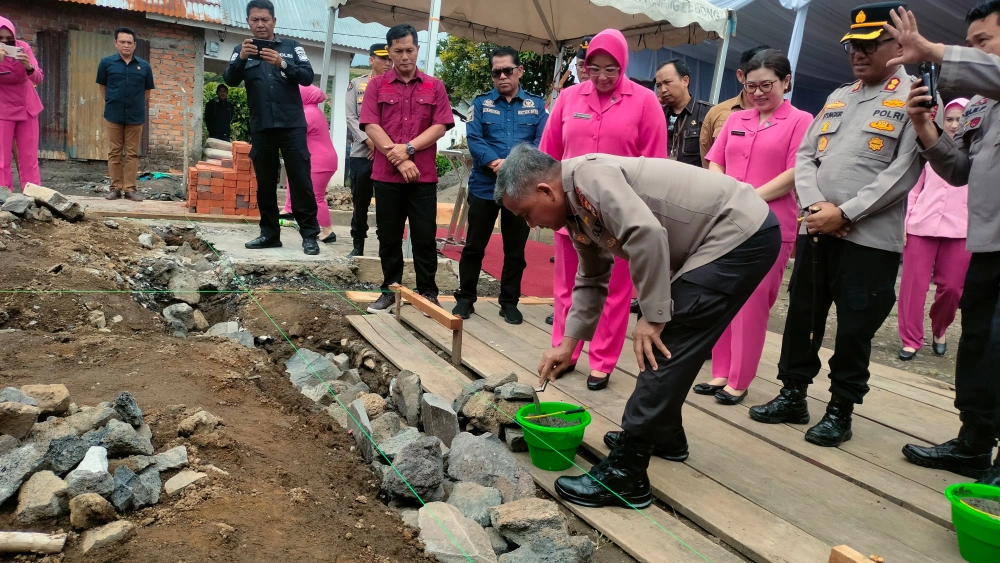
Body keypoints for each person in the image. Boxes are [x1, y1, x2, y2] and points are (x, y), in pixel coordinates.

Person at [497, 144, 781, 508]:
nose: (530, 224)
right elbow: (592, 275)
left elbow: (647, 233)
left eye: (526, 214)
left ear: (544, 191)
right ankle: (665, 435)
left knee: (666, 344)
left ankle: (626, 474)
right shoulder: (573, 206)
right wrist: (568, 344)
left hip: (739, 235)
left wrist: (654, 315)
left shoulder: (589, 178)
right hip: (718, 237)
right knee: (674, 343)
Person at [748, 2, 922, 448]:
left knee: (854, 328)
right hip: (816, 230)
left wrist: (845, 214)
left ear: (897, 44)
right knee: (803, 313)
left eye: (868, 45)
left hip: (869, 241)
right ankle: (793, 394)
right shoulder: (839, 96)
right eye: (852, 46)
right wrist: (815, 208)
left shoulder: (915, 97)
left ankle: (840, 410)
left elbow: (904, 171)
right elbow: (806, 157)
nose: (857, 54)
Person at [885, 2, 1000, 484]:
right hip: (990, 245)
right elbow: (960, 171)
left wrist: (933, 51)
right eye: (966, 42)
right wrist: (924, 127)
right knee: (979, 344)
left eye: (982, 42)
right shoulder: (980, 106)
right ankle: (974, 442)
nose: (971, 51)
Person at [540, 28, 667, 391]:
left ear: (623, 65)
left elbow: (654, 165)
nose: (601, 77)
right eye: (593, 68)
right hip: (572, 210)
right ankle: (565, 351)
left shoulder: (644, 102)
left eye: (610, 69)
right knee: (567, 287)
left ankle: (603, 360)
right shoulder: (568, 98)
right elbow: (550, 155)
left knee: (614, 291)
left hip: (619, 216)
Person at [700, 50, 813, 405]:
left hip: (771, 225)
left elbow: (795, 173)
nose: (759, 93)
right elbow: (714, 160)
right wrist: (725, 194)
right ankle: (720, 371)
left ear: (786, 82)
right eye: (752, 86)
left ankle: (740, 378)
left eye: (768, 85)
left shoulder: (800, 120)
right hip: (726, 221)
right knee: (720, 296)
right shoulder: (736, 119)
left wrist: (746, 197)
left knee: (752, 303)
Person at [360, 24, 454, 313]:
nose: (404, 56)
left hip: (422, 176)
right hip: (387, 176)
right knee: (388, 236)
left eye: (409, 50)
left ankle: (428, 292)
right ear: (389, 52)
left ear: (417, 50)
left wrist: (410, 148)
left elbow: (440, 126)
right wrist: (400, 159)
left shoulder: (433, 86)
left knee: (425, 236)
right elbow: (371, 125)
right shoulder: (377, 85)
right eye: (398, 51)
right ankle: (390, 290)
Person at [453, 47, 548, 324]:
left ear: (519, 71)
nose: (502, 76)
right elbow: (474, 138)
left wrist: (515, 166)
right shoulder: (481, 104)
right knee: (474, 246)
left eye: (508, 70)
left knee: (515, 250)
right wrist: (497, 164)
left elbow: (542, 141)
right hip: (484, 185)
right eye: (497, 72)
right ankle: (465, 299)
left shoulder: (537, 105)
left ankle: (509, 302)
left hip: (519, 189)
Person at [223, 0, 321, 256]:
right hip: (262, 127)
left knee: (301, 181)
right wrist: (241, 60)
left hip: (292, 127)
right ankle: (269, 234)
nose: (260, 24)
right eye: (255, 20)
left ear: (274, 21)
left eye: (265, 19)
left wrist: (282, 64)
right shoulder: (240, 50)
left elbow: (308, 75)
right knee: (265, 183)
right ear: (248, 22)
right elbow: (230, 80)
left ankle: (310, 236)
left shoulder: (291, 47)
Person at [897, 98, 971, 361]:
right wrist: (905, 223)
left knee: (952, 288)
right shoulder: (930, 148)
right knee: (913, 287)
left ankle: (940, 329)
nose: (954, 124)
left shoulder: (979, 154)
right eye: (949, 119)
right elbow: (914, 189)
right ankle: (910, 339)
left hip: (962, 230)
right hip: (921, 225)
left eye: (960, 119)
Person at [96, 27, 154, 202]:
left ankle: (129, 189)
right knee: (114, 152)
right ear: (116, 43)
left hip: (135, 116)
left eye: (129, 42)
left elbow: (147, 91)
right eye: (122, 42)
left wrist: (134, 104)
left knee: (132, 153)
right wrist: (114, 102)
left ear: (135, 45)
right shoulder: (106, 63)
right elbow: (102, 87)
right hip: (113, 114)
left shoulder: (144, 66)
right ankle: (115, 188)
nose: (126, 45)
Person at [345, 43, 392, 258]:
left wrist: (382, 145)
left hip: (388, 154)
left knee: (387, 205)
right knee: (360, 202)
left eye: (389, 59)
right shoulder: (357, 84)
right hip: (362, 154)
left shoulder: (395, 85)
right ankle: (358, 245)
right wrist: (369, 140)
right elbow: (351, 118)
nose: (387, 63)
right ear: (371, 59)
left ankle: (386, 247)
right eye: (382, 58)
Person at [279, 84, 338, 243]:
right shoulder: (309, 110)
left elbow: (292, 133)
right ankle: (288, 209)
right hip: (319, 159)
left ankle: (327, 231)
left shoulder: (308, 114)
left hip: (320, 162)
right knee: (292, 178)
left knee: (314, 198)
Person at [700, 45, 770, 166]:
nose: (759, 90)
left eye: (766, 83)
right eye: (753, 84)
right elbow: (707, 158)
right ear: (740, 76)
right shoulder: (719, 112)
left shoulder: (791, 118)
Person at [0, 17, 42, 191]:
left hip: (27, 107)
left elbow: (38, 78)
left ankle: (33, 196)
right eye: (0, 39)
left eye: (8, 39)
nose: (4, 43)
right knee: (1, 159)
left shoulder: (23, 47)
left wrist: (28, 66)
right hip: (3, 108)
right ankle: (4, 197)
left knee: (29, 157)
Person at [655, 59, 711, 167]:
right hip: (661, 178)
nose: (663, 90)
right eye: (658, 85)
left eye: (667, 83)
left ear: (685, 81)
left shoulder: (708, 113)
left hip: (694, 181)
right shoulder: (656, 114)